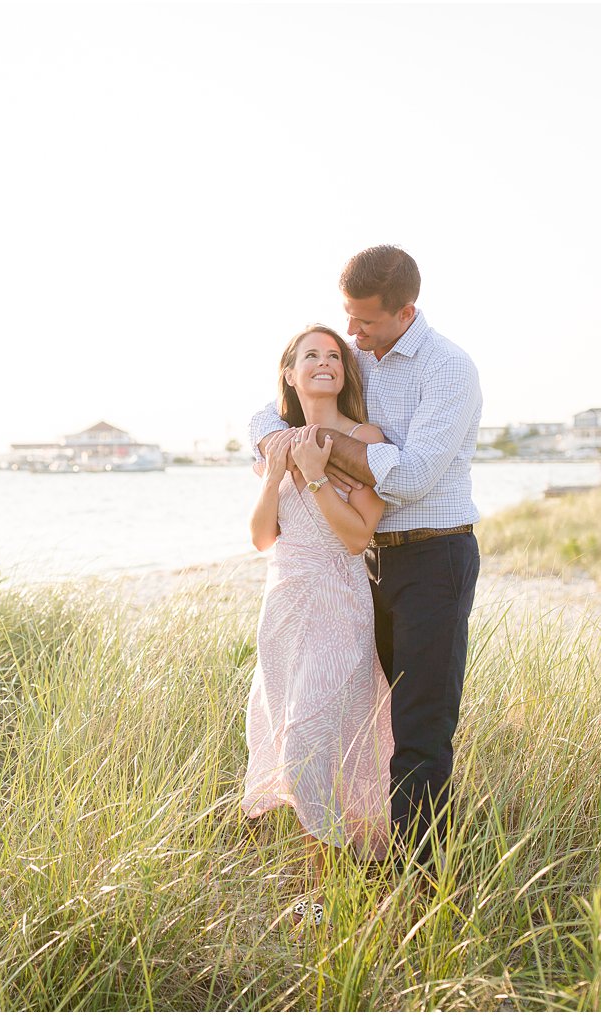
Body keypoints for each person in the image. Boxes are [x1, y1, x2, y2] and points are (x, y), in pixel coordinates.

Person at [250, 245, 482, 875]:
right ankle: (362, 858)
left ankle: (421, 879)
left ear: (406, 311)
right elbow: (270, 412)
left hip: (433, 558)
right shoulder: (359, 361)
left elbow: (406, 477)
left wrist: (311, 450)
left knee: (419, 727)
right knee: (363, 722)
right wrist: (279, 442)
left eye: (365, 322)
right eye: (346, 318)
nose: (350, 335)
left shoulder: (447, 370)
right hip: (359, 570)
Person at [242, 325, 394, 927]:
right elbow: (260, 536)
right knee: (294, 742)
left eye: (335, 356)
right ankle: (323, 893)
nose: (325, 363)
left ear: (345, 372)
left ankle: (327, 894)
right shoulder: (272, 442)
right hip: (282, 604)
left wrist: (317, 473)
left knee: (309, 743)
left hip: (339, 599)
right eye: (312, 355)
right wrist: (280, 471)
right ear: (289, 372)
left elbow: (358, 537)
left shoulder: (368, 439)